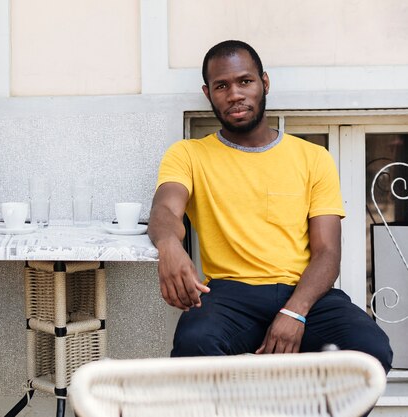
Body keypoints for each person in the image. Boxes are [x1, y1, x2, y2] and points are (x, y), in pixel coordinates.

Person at [147, 40, 392, 372]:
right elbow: (165, 210)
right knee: (194, 346)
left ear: (265, 82)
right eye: (222, 86)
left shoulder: (312, 158)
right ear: (208, 94)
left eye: (244, 81)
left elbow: (327, 253)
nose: (234, 94)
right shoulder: (189, 154)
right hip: (230, 294)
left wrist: (295, 311)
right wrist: (168, 245)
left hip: (305, 291)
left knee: (370, 352)